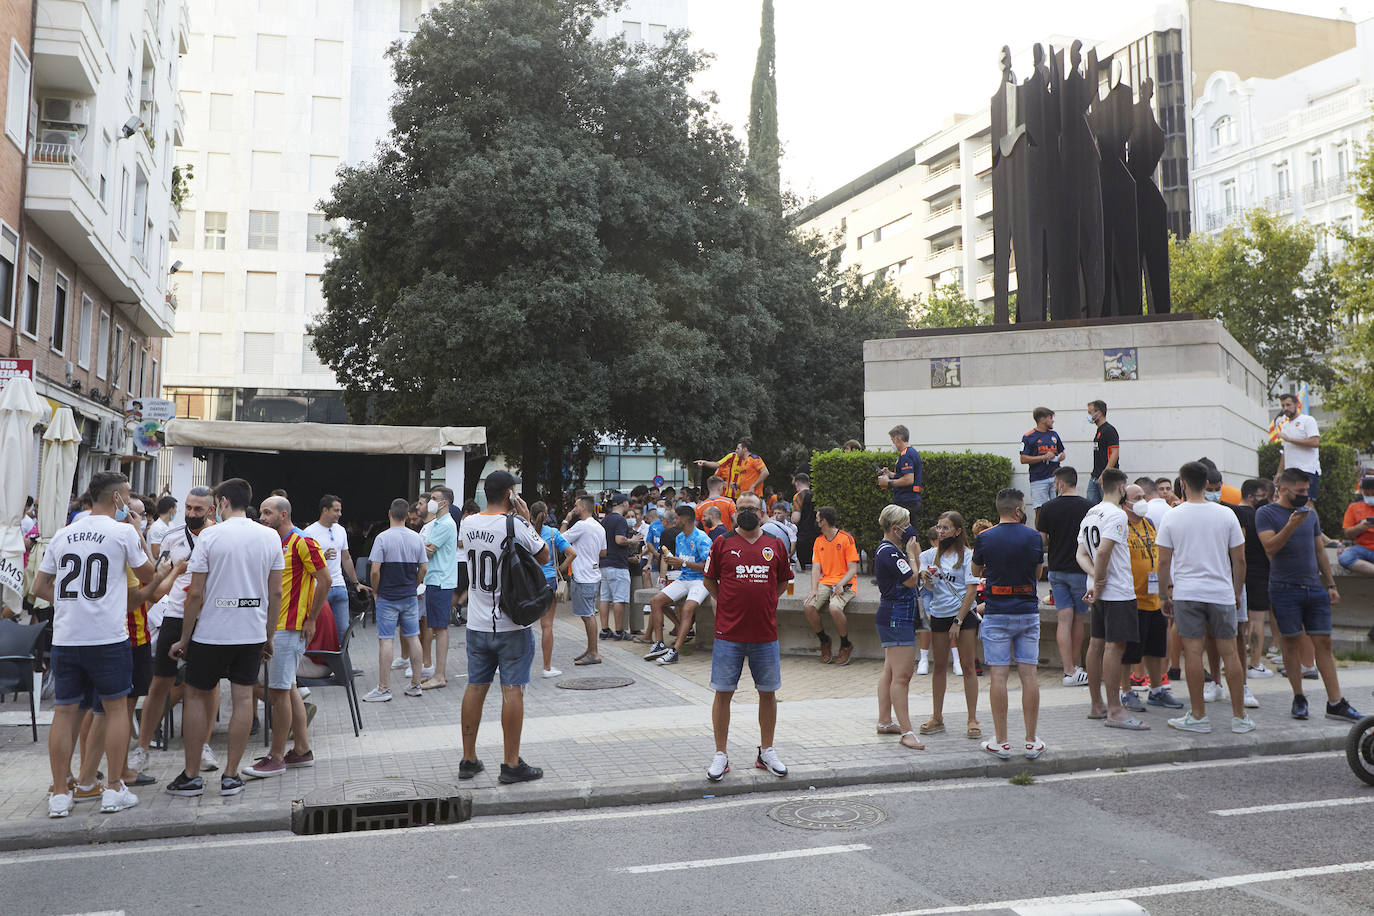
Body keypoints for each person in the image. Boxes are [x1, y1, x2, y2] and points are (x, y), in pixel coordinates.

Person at [35, 472, 155, 818]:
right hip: (106, 637)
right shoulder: (122, 532)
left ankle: (60, 793)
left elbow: (42, 586)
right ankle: (114, 788)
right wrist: (138, 533)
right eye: (128, 495)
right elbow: (148, 576)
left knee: (64, 712)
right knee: (116, 709)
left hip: (68, 636)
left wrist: (71, 605)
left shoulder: (63, 533)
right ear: (117, 499)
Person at [166, 478, 284, 798]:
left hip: (212, 632)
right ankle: (231, 775)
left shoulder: (210, 536)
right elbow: (276, 592)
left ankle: (191, 775)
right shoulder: (270, 537)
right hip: (251, 631)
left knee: (196, 697)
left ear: (221, 503)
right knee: (244, 699)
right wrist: (268, 636)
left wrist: (184, 638)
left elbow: (196, 594)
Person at [457, 471, 549, 784]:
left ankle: (468, 759)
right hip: (510, 623)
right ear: (510, 494)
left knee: (475, 687)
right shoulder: (516, 524)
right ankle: (510, 764)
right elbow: (544, 555)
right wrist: (525, 516)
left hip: (476, 623)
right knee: (513, 690)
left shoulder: (467, 523)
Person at [1257, 468, 1363, 723]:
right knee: (1291, 643)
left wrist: (1331, 584)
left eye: (1307, 491)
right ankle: (1299, 697)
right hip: (1284, 588)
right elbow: (1270, 547)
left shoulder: (1310, 513)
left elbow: (1318, 550)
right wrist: (1292, 524)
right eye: (1301, 491)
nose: (1305, 496)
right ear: (1284, 489)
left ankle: (1336, 702)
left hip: (1313, 587)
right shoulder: (1266, 513)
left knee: (1324, 643)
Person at [701, 490, 793, 781]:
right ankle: (721, 754)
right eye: (742, 508)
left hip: (765, 634)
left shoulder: (775, 544)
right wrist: (727, 605)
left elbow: (781, 582)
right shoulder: (722, 543)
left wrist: (763, 602)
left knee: (768, 693)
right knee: (723, 692)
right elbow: (709, 579)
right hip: (728, 634)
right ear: (734, 512)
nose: (747, 512)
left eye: (752, 508)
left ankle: (766, 751)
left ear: (762, 512)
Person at [1155, 462, 1252, 735]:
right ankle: (1240, 716)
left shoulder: (1172, 517)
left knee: (1193, 654)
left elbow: (1163, 562)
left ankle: (1199, 716)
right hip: (1221, 593)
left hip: (1188, 593)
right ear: (1207, 482)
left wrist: (1164, 593)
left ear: (1182, 483)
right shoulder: (1226, 515)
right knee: (1230, 653)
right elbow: (1240, 560)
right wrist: (1236, 591)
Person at [130, 487, 218, 776]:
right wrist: (169, 573)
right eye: (189, 508)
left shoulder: (219, 535)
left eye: (198, 509)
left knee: (207, 684)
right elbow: (158, 575)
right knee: (160, 681)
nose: (192, 513)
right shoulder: (171, 536)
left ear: (211, 509)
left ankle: (204, 744)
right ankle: (142, 747)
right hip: (175, 612)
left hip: (209, 617)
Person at [244, 496, 329, 779]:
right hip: (275, 627)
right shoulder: (273, 543)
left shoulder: (302, 542)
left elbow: (325, 579)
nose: (262, 517)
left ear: (283, 515)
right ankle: (302, 750)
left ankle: (277, 756)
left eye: (267, 513)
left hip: (287, 629)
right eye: (262, 512)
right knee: (288, 689)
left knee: (279, 692)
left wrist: (312, 618)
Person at [972, 488, 1045, 760]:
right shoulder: (1033, 536)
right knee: (1029, 675)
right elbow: (1038, 573)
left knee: (999, 677)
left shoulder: (985, 538)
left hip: (997, 612)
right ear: (1018, 510)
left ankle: (1001, 741)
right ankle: (1031, 740)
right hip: (1027, 611)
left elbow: (976, 572)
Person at [1076, 469, 1145, 730]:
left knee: (1096, 643)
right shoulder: (1116, 514)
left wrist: (1095, 579)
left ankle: (1097, 704)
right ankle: (1115, 709)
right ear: (1122, 488)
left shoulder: (1091, 513)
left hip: (1100, 588)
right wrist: (1101, 580)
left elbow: (1081, 554)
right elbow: (1103, 551)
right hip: (1116, 591)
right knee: (1113, 647)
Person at [917, 511, 981, 740]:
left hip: (963, 615)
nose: (940, 531)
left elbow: (972, 591)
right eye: (939, 527)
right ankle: (937, 716)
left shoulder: (968, 556)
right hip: (939, 615)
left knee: (968, 666)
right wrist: (925, 577)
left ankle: (972, 719)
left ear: (957, 531)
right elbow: (931, 589)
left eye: (945, 528)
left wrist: (958, 621)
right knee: (939, 666)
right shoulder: (929, 555)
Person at [1120, 483, 1183, 711]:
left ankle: (1157, 690)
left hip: (1155, 597)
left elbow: (1159, 556)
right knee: (1129, 651)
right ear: (1124, 502)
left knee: (1156, 648)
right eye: (1137, 497)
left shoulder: (1148, 523)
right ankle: (1125, 691)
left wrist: (1168, 587)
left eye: (1143, 496)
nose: (1142, 501)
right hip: (1131, 597)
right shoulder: (1120, 525)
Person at [871, 505, 925, 750]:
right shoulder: (890, 553)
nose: (910, 529)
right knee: (902, 676)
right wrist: (913, 553)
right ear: (896, 528)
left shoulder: (891, 550)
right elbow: (912, 579)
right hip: (896, 617)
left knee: (891, 672)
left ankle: (885, 722)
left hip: (894, 615)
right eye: (907, 524)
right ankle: (907, 731)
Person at [362, 499, 427, 702]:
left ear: (389, 513)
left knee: (386, 639)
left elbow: (375, 570)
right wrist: (415, 585)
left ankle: (384, 688)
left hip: (388, 597)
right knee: (413, 637)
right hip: (409, 595)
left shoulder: (382, 538)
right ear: (407, 515)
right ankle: (416, 684)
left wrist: (376, 591)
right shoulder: (416, 538)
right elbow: (423, 568)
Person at [1037, 465, 1091, 687]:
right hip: (1080, 568)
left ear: (1060, 482)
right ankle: (1076, 667)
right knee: (1078, 619)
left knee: (1063, 619)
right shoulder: (1089, 507)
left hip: (1057, 569)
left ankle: (1067, 670)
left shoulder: (1048, 508)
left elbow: (1041, 540)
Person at [646, 504, 714, 665]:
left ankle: (675, 650)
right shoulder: (679, 537)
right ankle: (660, 643)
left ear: (686, 519)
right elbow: (682, 563)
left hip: (700, 580)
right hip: (683, 578)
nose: (674, 520)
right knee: (656, 602)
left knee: (687, 609)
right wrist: (674, 562)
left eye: (677, 517)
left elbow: (708, 566)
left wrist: (682, 563)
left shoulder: (702, 538)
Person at [303, 495, 371, 652]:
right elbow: (304, 563)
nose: (340, 514)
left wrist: (356, 583)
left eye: (340, 510)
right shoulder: (309, 532)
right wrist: (322, 557)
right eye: (336, 510)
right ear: (325, 510)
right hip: (318, 588)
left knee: (343, 630)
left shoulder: (341, 530)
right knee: (319, 630)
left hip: (339, 586)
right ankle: (317, 664)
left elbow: (346, 558)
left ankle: (344, 667)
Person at [803, 506, 860, 666]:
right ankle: (824, 640)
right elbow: (816, 568)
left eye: (818, 518)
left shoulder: (846, 539)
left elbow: (853, 569)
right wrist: (814, 589)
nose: (816, 521)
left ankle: (845, 644)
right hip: (826, 582)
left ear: (824, 521)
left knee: (835, 608)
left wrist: (841, 584)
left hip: (845, 582)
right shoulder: (818, 541)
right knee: (808, 606)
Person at [417, 486, 458, 690]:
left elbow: (429, 551)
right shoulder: (438, 523)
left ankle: (440, 674)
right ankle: (437, 673)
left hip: (440, 581)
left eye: (434, 498)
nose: (430, 501)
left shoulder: (444, 524)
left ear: (444, 503)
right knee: (437, 627)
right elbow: (426, 547)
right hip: (436, 580)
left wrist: (416, 545)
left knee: (440, 628)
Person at [561, 496, 606, 666]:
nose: (573, 509)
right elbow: (603, 552)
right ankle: (590, 649)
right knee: (588, 614)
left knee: (587, 615)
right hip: (593, 574)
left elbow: (560, 539)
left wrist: (566, 519)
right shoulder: (599, 527)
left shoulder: (581, 526)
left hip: (583, 575)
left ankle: (594, 652)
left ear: (583, 508)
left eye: (575, 506)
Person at [531, 501, 573, 679]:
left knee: (521, 624)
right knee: (547, 626)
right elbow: (572, 553)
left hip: (528, 580)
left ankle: (511, 663)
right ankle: (547, 668)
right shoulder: (553, 533)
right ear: (547, 515)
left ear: (530, 515)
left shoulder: (525, 531)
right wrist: (559, 569)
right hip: (549, 580)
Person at [597, 494, 639, 641]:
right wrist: (632, 540)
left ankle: (604, 630)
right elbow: (619, 539)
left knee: (604, 598)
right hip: (618, 565)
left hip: (604, 563)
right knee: (619, 599)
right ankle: (619, 631)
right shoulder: (620, 520)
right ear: (625, 503)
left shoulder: (606, 519)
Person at [1020, 408, 1065, 522]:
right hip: (1038, 479)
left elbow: (1061, 451)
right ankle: (1041, 537)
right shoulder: (1028, 437)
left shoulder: (1054, 434)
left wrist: (1061, 456)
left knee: (1059, 508)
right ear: (1042, 419)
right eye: (1050, 418)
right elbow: (1023, 458)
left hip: (1055, 477)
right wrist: (1043, 457)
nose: (1052, 421)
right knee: (1040, 510)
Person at [1275, 393, 1321, 500]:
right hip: (1290, 472)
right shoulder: (1285, 425)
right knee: (1289, 502)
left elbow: (1315, 442)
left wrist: (1289, 439)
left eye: (1288, 405)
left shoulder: (1308, 420)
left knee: (1307, 503)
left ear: (1297, 405)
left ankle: (1313, 518)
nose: (1285, 408)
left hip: (1307, 470)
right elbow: (1285, 450)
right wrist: (1279, 473)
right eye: (1283, 406)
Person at [695, 438, 769, 499]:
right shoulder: (738, 459)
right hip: (742, 496)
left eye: (738, 448)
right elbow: (717, 464)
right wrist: (705, 463)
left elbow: (765, 472)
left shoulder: (754, 459)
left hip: (753, 496)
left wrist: (753, 485)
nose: (736, 450)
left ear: (745, 449)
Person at [878, 424, 924, 523]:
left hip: (906, 501)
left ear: (898, 438)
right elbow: (905, 475)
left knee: (905, 533)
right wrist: (890, 474)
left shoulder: (906, 455)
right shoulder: (911, 452)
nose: (893, 443)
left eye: (892, 440)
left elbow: (908, 479)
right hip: (911, 500)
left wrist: (888, 482)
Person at [1338, 475, 1374, 576]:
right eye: (1367, 494)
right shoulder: (1354, 507)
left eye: (1373, 494)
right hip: (1362, 548)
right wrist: (1360, 527)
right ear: (1362, 492)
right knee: (1345, 558)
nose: (1370, 496)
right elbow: (1348, 534)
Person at [1086, 399, 1120, 505]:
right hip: (1095, 476)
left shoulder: (1109, 430)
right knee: (1091, 507)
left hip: (1107, 477)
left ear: (1099, 413)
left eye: (1090, 413)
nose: (1089, 416)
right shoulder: (1099, 430)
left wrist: (1105, 473)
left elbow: (1115, 452)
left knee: (1108, 506)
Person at [791, 473, 819, 571]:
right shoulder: (816, 495)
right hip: (817, 535)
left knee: (805, 568)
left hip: (804, 536)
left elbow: (795, 519)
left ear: (797, 483)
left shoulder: (798, 496)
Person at [147, 495, 177, 560]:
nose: (176, 511)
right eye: (175, 509)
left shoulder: (171, 525)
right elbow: (156, 554)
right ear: (171, 510)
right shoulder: (157, 527)